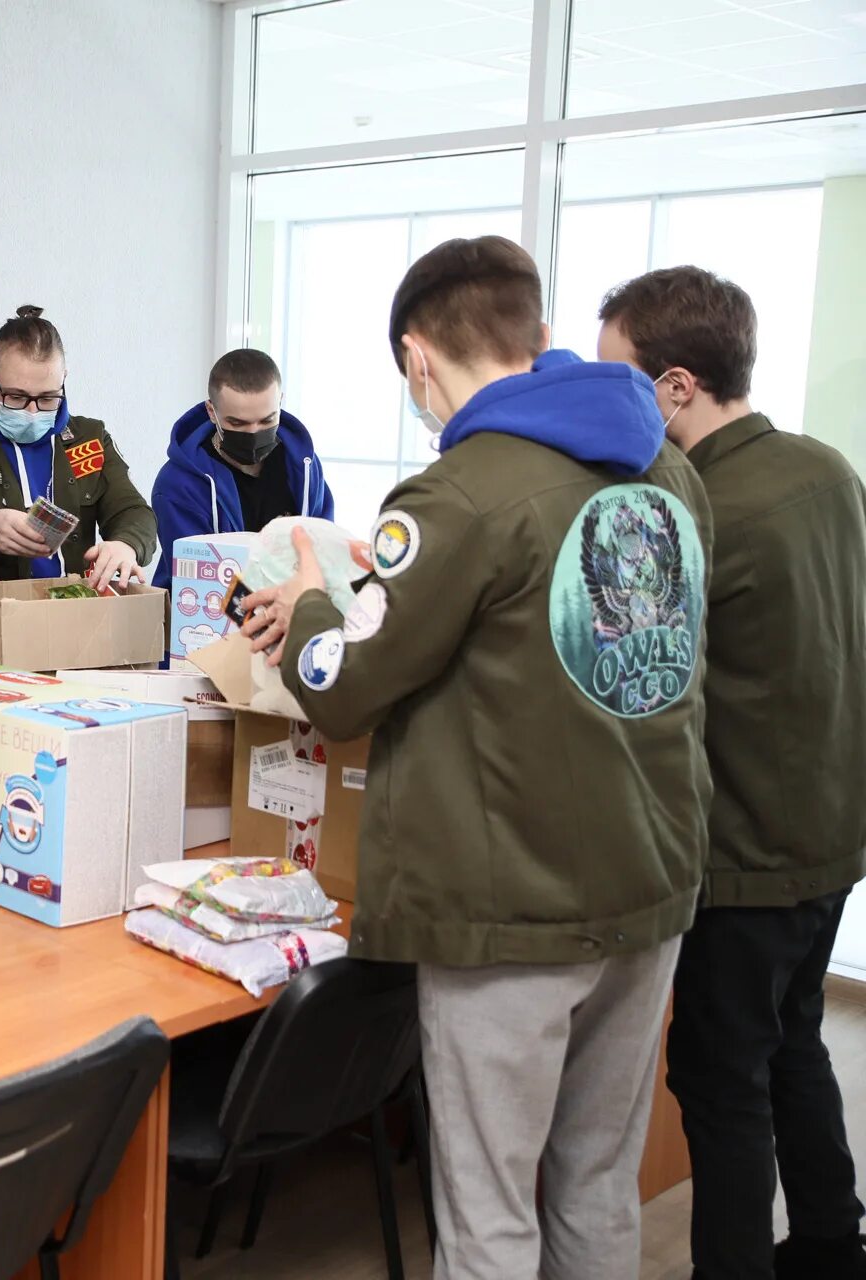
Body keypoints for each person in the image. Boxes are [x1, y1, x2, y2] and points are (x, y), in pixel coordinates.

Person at [242, 236, 713, 1279]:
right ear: (539, 337)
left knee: (489, 1208)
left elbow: (345, 682)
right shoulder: (666, 465)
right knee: (595, 1180)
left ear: (418, 359)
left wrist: (320, 598)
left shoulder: (458, 494)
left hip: (513, 904)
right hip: (651, 877)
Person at [599, 266, 866, 1280]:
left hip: (749, 849)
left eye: (619, 377)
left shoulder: (699, 508)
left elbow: (637, 677)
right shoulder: (826, 468)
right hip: (832, 832)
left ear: (674, 386)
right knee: (792, 1042)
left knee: (719, 1082)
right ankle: (835, 1240)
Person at [0, 306, 156, 588]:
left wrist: (126, 544)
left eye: (47, 398)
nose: (32, 411)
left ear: (63, 380)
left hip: (77, 611)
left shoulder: (91, 439)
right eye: (16, 397)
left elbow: (134, 511)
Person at [150, 348, 333, 588]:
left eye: (267, 420)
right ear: (211, 412)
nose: (254, 432)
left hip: (290, 611)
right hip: (206, 615)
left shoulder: (304, 466)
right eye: (237, 423)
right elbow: (199, 583)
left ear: (280, 403)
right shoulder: (178, 484)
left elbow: (323, 546)